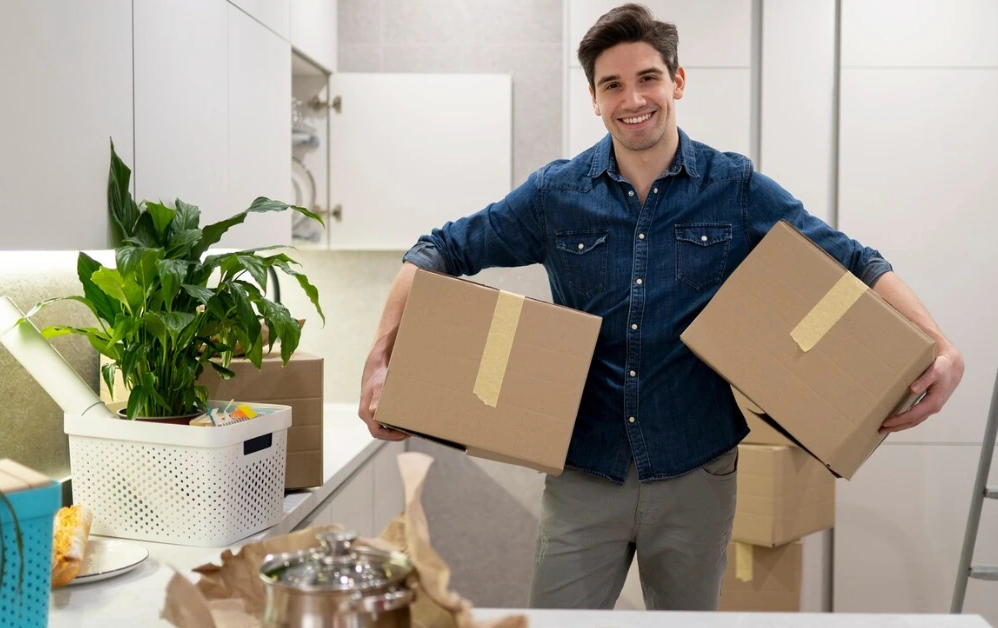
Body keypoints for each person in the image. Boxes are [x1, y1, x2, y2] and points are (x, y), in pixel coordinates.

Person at [359, 2, 964, 612]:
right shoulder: (555, 195)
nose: (632, 99)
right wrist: (380, 360)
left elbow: (854, 260)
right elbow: (437, 249)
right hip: (583, 470)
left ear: (677, 80)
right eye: (612, 85)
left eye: (647, 77)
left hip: (695, 471)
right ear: (594, 99)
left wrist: (938, 346)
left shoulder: (734, 188)